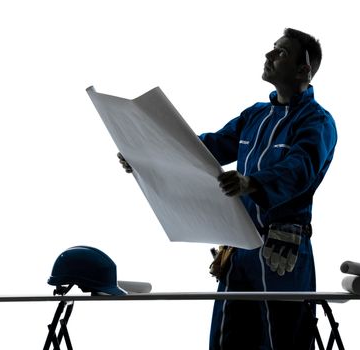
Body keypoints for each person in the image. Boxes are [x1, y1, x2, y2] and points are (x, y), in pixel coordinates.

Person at [118, 28, 337, 350]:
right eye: (272, 49)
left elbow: (300, 169)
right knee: (229, 338)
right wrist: (147, 157)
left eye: (281, 53)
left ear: (304, 69)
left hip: (281, 252)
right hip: (240, 244)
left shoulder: (317, 122)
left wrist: (252, 182)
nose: (269, 56)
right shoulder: (255, 115)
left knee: (282, 337)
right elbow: (206, 150)